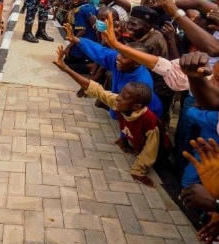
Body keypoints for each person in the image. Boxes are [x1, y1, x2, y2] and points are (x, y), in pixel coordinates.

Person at [53, 45, 168, 187]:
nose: (117, 98)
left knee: (154, 155)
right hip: (137, 136)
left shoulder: (149, 120)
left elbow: (151, 150)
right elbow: (96, 89)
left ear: (136, 107)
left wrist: (138, 170)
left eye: (123, 96)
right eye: (120, 93)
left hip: (160, 151)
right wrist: (66, 69)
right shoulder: (121, 102)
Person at [64, 23, 163, 119]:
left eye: (124, 56)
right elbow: (100, 52)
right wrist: (76, 40)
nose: (118, 57)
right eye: (120, 53)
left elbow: (137, 115)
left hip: (146, 115)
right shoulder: (118, 60)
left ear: (136, 63)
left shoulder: (142, 82)